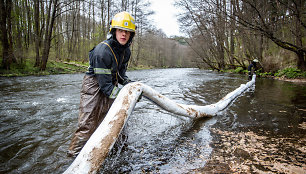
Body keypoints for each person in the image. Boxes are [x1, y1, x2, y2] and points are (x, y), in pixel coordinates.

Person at [68, 11, 136, 157]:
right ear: (114, 31)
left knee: (117, 120)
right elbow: (105, 87)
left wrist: (130, 86)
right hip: (93, 86)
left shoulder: (126, 52)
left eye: (127, 32)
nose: (124, 34)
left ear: (131, 35)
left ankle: (119, 151)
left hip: (110, 82)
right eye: (121, 31)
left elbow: (120, 74)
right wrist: (125, 96)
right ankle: (73, 157)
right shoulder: (102, 51)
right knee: (88, 124)